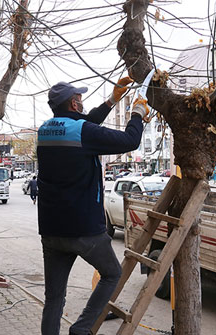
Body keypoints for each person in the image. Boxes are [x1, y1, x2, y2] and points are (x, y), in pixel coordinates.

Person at [37, 77, 146, 335]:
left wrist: (111, 100)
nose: (83, 104)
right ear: (74, 104)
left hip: (52, 231)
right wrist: (138, 113)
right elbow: (130, 140)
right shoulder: (83, 132)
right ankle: (81, 329)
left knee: (53, 298)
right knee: (111, 274)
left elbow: (84, 124)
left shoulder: (45, 130)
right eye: (80, 100)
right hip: (84, 229)